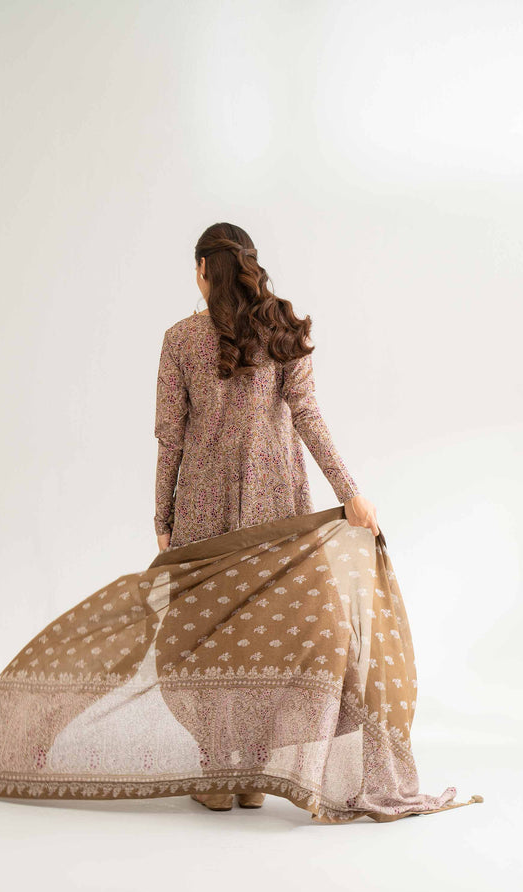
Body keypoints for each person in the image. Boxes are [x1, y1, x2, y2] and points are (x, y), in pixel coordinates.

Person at [153, 222, 379, 810]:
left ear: (204, 269)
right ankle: (253, 773)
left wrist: (162, 517)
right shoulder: (282, 328)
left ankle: (218, 773)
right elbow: (307, 416)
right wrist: (350, 492)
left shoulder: (179, 339)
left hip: (201, 507)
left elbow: (170, 438)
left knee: (206, 637)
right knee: (267, 634)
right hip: (275, 505)